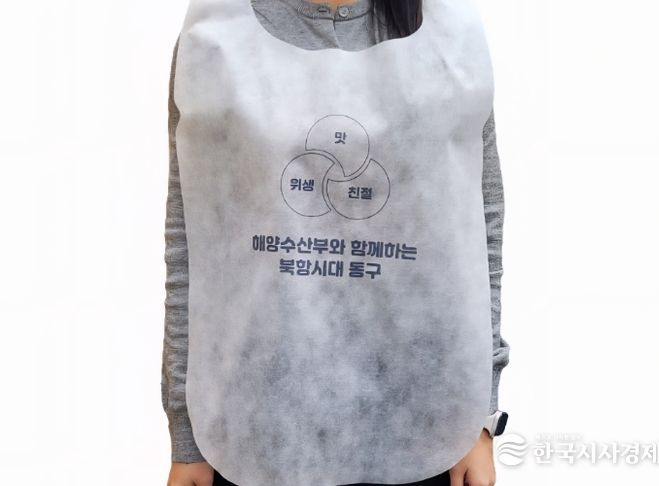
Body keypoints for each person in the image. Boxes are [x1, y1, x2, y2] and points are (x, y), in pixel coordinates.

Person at [161, 1, 510, 485]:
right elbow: (191, 244)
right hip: (255, 428)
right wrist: (186, 434)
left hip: (424, 423)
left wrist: (479, 416)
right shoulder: (218, 40)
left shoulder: (447, 36)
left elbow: (479, 229)